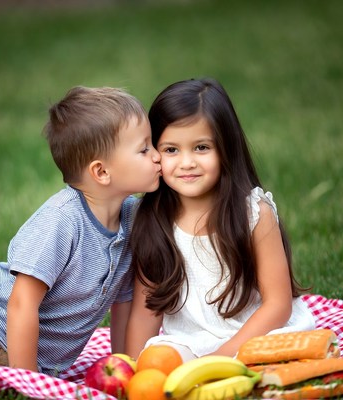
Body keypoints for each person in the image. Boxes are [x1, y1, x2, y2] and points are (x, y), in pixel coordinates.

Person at [0, 85, 161, 391]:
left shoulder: (134, 222)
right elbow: (21, 303)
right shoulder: (62, 220)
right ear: (101, 172)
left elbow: (122, 305)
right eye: (144, 149)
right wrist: (30, 384)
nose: (157, 156)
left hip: (22, 355)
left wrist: (123, 370)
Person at [125, 78, 316, 362]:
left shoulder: (254, 213)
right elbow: (146, 311)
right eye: (171, 150)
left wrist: (223, 356)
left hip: (259, 333)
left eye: (201, 148)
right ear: (153, 152)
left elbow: (277, 305)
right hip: (191, 342)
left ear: (226, 148)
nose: (187, 162)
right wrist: (132, 368)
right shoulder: (151, 218)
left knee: (279, 359)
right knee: (158, 359)